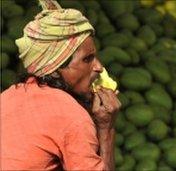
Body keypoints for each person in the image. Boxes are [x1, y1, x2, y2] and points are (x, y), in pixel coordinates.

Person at [0, 0, 121, 170]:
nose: (99, 67)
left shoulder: (8, 96)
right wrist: (107, 129)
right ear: (55, 69)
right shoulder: (73, 117)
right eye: (87, 59)